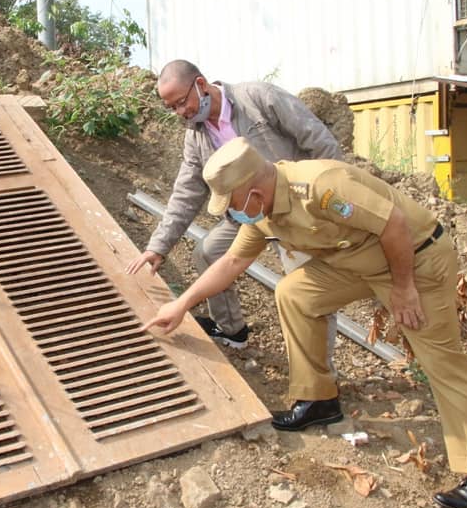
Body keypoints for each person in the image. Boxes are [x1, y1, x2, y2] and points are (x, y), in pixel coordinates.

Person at [142, 137, 467, 508]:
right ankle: (318, 399)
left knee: (443, 363)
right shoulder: (264, 212)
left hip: (414, 259)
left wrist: (404, 288)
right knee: (295, 293)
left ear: (252, 191)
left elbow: (393, 224)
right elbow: (232, 263)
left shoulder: (321, 186)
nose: (232, 215)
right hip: (357, 263)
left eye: (233, 205)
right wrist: (182, 305)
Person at [126, 59, 342, 349]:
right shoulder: (196, 135)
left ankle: (321, 380)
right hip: (247, 216)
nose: (181, 112)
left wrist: (330, 199)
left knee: (306, 289)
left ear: (200, 85)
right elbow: (186, 192)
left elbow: (319, 141)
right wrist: (158, 247)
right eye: (172, 108)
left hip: (292, 208)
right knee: (208, 252)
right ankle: (231, 331)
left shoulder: (258, 99)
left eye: (181, 102)